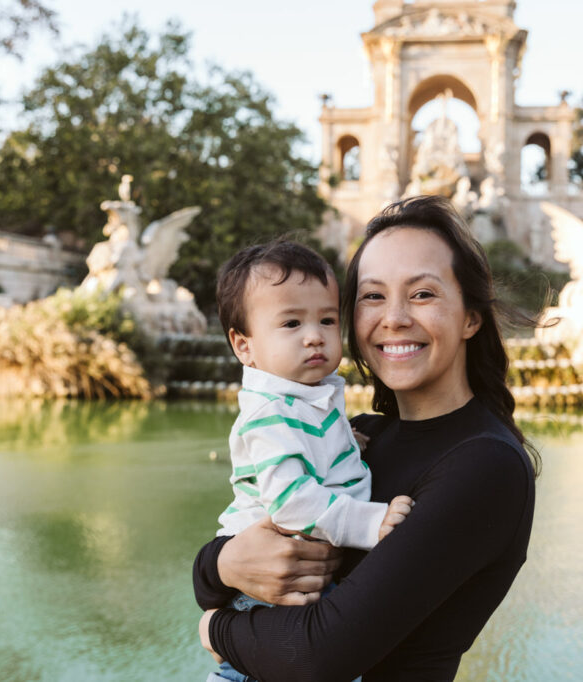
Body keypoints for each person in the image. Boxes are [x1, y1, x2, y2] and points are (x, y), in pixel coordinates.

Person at [193, 196, 539, 681]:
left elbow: (319, 655)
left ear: (471, 317)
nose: (393, 317)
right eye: (373, 296)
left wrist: (216, 630)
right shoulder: (359, 435)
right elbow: (229, 555)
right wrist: (221, 565)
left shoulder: (484, 465)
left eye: (422, 294)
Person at [208, 239, 414, 681]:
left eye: (326, 319)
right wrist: (370, 523)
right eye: (290, 322)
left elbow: (311, 453)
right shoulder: (269, 412)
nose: (314, 334)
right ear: (244, 346)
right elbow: (290, 502)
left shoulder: (308, 397)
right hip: (267, 596)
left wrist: (344, 442)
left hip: (299, 587)